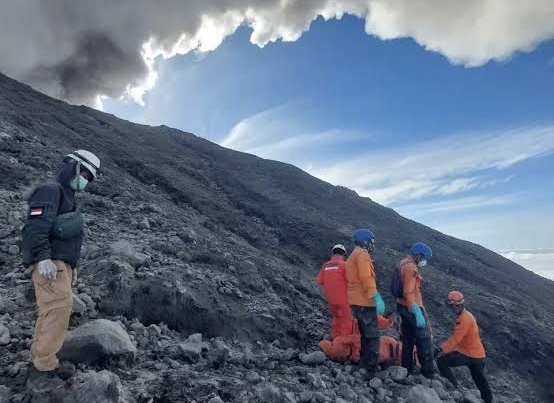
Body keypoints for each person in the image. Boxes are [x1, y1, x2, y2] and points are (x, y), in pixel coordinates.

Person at [22, 150, 100, 377]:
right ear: (72, 167)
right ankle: (44, 368)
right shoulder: (51, 190)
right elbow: (35, 226)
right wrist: (42, 257)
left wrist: (72, 267)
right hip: (49, 263)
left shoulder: (67, 197)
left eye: (89, 177)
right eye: (84, 173)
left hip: (60, 265)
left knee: (50, 312)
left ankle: (38, 358)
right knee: (58, 310)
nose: (85, 179)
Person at [435, 291, 493, 403]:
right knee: (479, 379)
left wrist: (439, 349)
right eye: (453, 306)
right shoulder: (466, 315)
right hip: (478, 354)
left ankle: (453, 388)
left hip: (469, 354)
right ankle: (488, 400)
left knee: (442, 361)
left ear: (462, 304)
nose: (455, 308)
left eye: (456, 306)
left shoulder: (464, 319)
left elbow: (456, 339)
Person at [346, 229, 385, 378]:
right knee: (373, 335)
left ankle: (363, 361)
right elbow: (365, 277)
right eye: (371, 241)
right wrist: (375, 295)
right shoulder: (362, 254)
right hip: (365, 301)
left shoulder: (352, 255)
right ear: (364, 241)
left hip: (356, 301)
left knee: (364, 334)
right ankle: (371, 369)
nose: (372, 244)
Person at [395, 242, 435, 377]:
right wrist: (416, 311)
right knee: (424, 341)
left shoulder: (403, 263)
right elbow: (408, 291)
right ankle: (428, 373)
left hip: (402, 306)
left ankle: (407, 368)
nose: (425, 261)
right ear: (418, 256)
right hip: (412, 308)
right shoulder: (411, 268)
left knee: (408, 339)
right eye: (424, 258)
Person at [316, 244, 352, 340]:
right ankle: (343, 346)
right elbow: (351, 281)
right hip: (343, 300)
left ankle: (336, 339)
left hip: (331, 300)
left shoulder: (325, 265)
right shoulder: (344, 265)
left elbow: (320, 281)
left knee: (336, 319)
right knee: (346, 322)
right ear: (344, 254)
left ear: (333, 253)